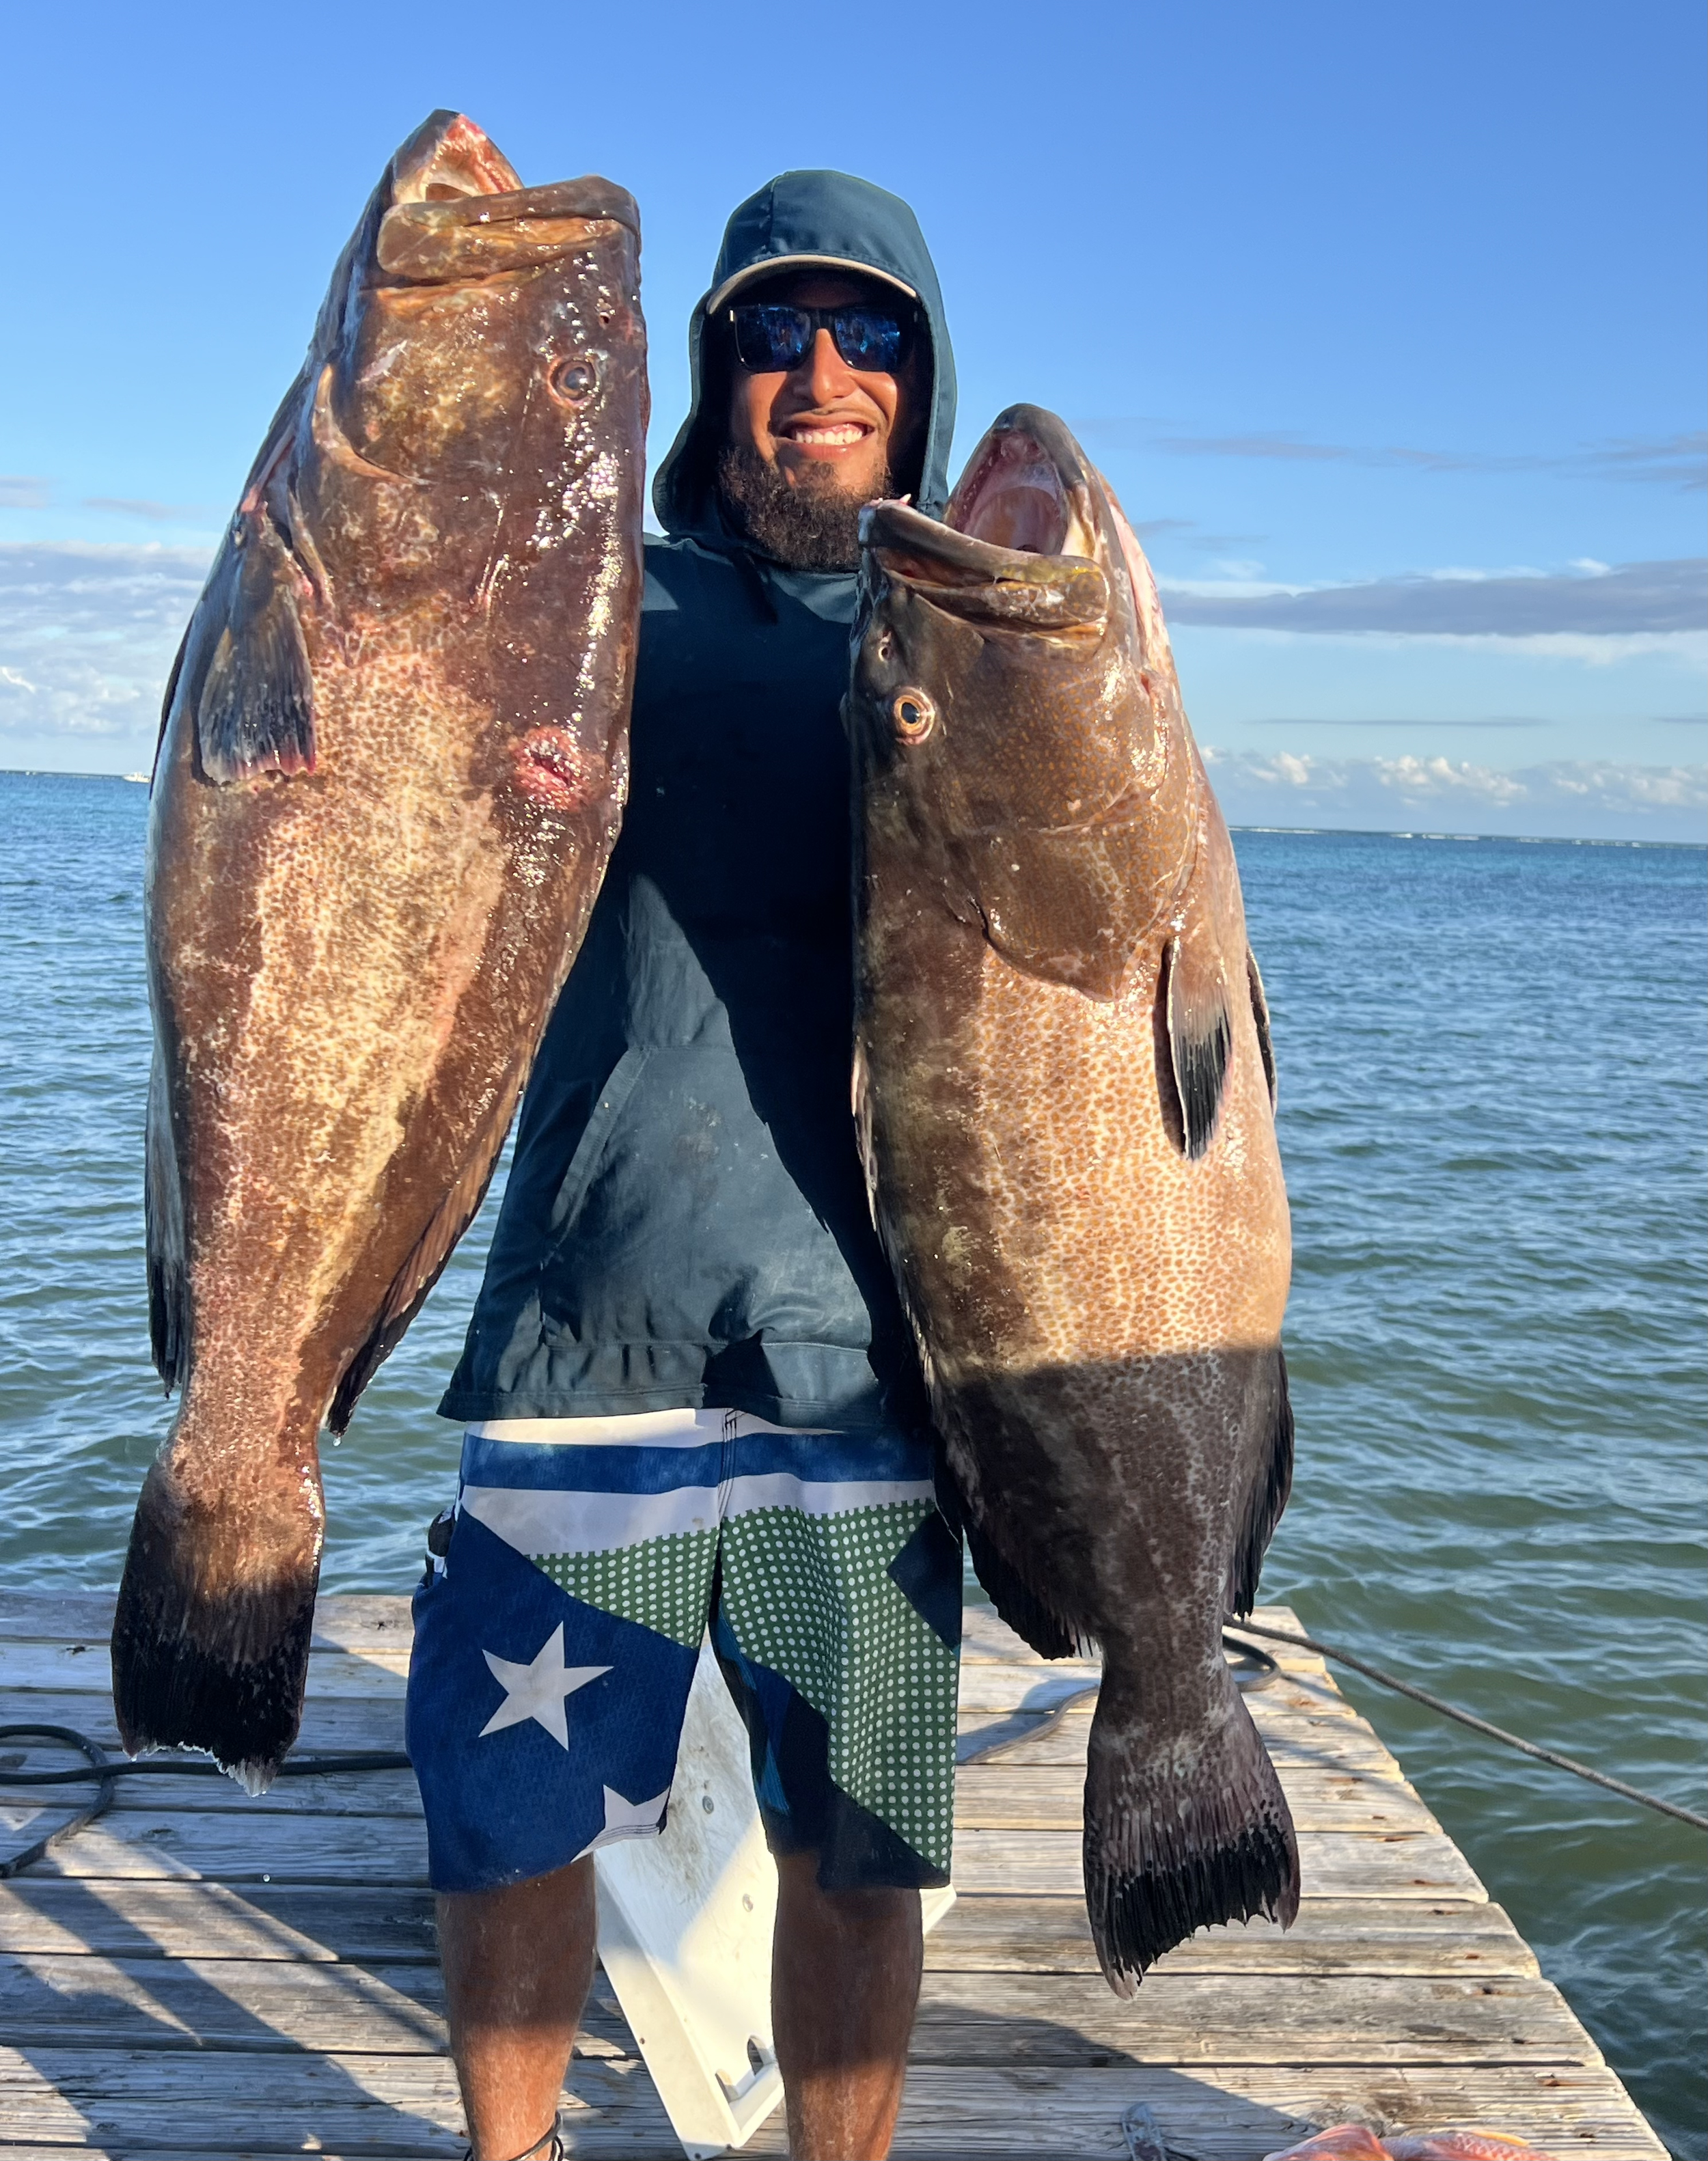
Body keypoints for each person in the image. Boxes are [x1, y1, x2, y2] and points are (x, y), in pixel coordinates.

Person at [403, 171, 963, 2161]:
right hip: (584, 1324)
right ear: (712, 373)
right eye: (772, 334)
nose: (820, 374)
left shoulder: (969, 642)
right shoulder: (595, 611)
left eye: (868, 331)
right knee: (510, 1815)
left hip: (871, 1361)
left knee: (863, 1835)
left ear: (924, 369)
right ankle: (512, 2151)